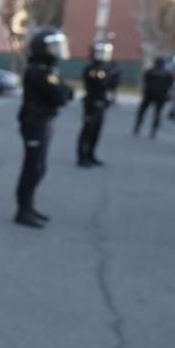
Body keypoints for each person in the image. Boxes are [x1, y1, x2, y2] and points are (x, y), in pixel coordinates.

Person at [16, 28, 74, 226]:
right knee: (32, 168)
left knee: (39, 168)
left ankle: (29, 206)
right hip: (34, 122)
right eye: (53, 46)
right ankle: (23, 210)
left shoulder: (48, 70)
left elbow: (66, 92)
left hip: (44, 121)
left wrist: (63, 91)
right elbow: (60, 96)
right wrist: (62, 91)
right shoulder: (38, 71)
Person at [75, 41, 119, 167]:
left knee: (96, 130)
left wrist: (114, 74)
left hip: (102, 103)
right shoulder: (92, 69)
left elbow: (111, 86)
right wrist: (109, 75)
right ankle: (82, 156)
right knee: (88, 130)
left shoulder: (106, 68)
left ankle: (91, 154)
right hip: (92, 102)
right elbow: (98, 84)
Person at [136, 56, 173, 137]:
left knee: (144, 112)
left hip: (150, 95)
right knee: (157, 113)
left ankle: (139, 127)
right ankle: (153, 131)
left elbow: (145, 82)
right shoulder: (166, 74)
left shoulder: (150, 72)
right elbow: (170, 85)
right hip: (159, 96)